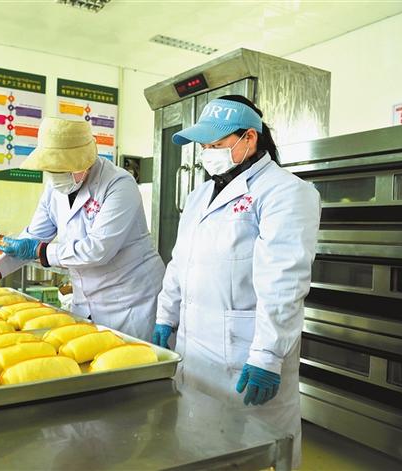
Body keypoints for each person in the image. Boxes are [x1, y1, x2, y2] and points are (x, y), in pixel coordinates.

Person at [151, 95, 320, 468]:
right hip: (195, 348)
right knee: (199, 445)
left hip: (245, 351)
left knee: (256, 450)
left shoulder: (286, 192)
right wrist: (166, 315)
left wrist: (268, 355)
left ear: (249, 138)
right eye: (204, 146)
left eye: (216, 144)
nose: (207, 153)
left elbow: (284, 281)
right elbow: (181, 260)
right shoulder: (198, 195)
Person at [0, 117, 164, 340]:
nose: (56, 177)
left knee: (129, 358)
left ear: (85, 162)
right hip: (86, 301)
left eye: (62, 170)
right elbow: (33, 237)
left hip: (130, 301)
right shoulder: (54, 188)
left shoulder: (119, 185)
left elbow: (98, 249)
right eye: (51, 170)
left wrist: (40, 251)